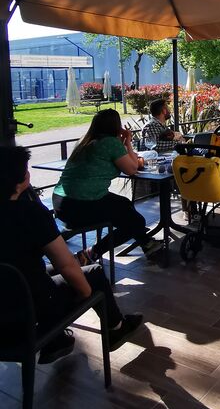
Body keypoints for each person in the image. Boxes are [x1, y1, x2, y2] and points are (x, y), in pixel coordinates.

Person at [0, 146, 143, 364]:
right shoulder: (30, 214)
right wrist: (86, 293)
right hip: (27, 308)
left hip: (7, 304)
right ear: (19, 181)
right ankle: (116, 328)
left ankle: (56, 341)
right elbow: (66, 264)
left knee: (41, 273)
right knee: (93, 273)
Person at [52, 109, 157, 264]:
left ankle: (147, 243)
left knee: (125, 204)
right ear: (116, 126)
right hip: (82, 204)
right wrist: (128, 141)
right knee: (136, 222)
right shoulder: (110, 143)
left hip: (60, 203)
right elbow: (132, 168)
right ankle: (92, 253)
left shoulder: (84, 141)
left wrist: (122, 144)